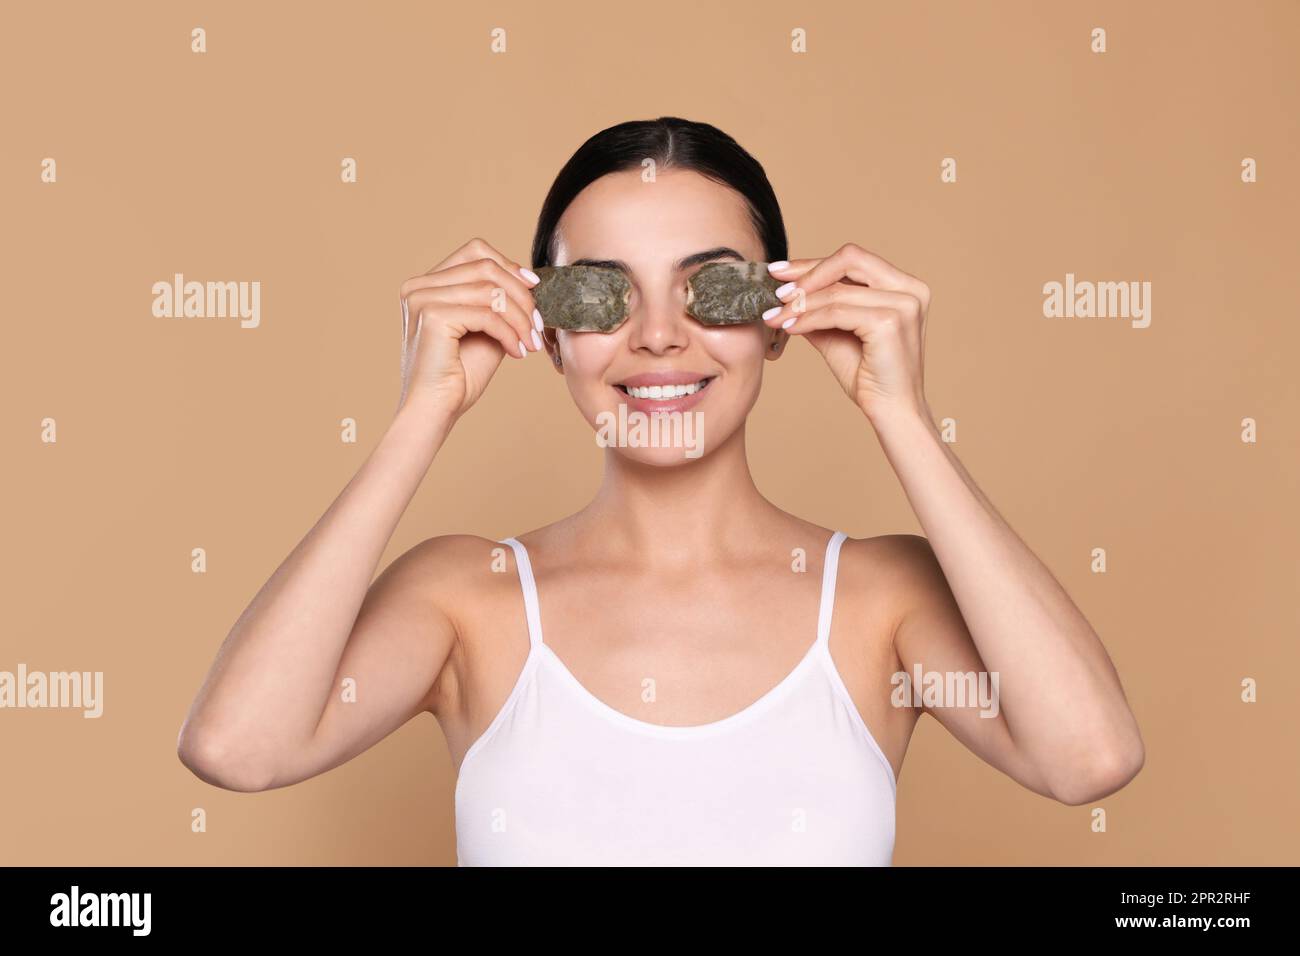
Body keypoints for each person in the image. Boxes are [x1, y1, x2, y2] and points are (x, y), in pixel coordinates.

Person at [177, 116, 1144, 865]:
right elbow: (238, 749)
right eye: (601, 295)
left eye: (711, 289)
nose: (656, 336)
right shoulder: (465, 600)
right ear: (547, 333)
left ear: (778, 318)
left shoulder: (884, 601)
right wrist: (421, 413)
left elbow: (1088, 758)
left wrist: (902, 414)